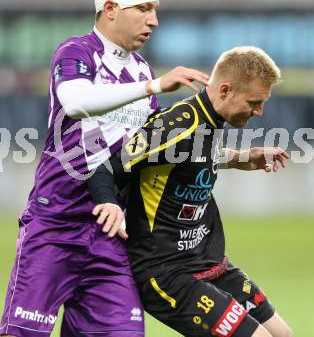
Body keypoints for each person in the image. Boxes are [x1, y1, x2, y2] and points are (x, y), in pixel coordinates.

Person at [0, 0, 209, 337]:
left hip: (111, 233)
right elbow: (78, 102)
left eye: (155, 10)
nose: (153, 21)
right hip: (55, 226)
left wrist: (235, 158)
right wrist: (156, 87)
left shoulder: (142, 70)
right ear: (110, 9)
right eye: (143, 8)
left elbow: (149, 148)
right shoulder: (76, 53)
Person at [88, 46, 293, 337]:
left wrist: (244, 157)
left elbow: (193, 158)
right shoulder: (175, 126)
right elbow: (105, 169)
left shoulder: (212, 121)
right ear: (225, 90)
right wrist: (109, 204)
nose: (259, 112)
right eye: (254, 102)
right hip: (166, 272)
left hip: (208, 261)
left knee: (283, 334)